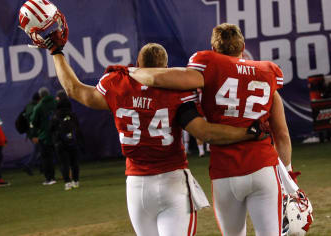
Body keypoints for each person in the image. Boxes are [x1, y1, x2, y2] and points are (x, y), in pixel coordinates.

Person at [35, 21, 266, 234]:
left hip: (136, 188)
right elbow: (204, 133)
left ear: (138, 65)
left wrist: (56, 52)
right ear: (165, 68)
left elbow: (75, 90)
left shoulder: (117, 83)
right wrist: (246, 132)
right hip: (172, 181)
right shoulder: (177, 90)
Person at [130, 23, 297, 236]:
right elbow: (282, 134)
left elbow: (159, 78)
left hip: (224, 172)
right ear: (243, 46)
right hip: (263, 167)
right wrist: (289, 176)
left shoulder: (207, 65)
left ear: (214, 48)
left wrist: (133, 72)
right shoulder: (266, 72)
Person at [50, 90, 83, 190]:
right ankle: (76, 181)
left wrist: (54, 140)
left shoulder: (56, 115)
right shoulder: (72, 114)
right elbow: (77, 128)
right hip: (72, 142)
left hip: (60, 142)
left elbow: (51, 129)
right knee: (74, 163)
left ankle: (67, 183)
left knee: (64, 163)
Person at [30, 87, 57, 185]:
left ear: (40, 96)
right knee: (63, 156)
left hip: (45, 136)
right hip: (57, 134)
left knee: (46, 158)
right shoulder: (55, 102)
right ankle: (68, 176)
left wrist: (35, 133)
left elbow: (33, 121)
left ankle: (50, 178)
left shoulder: (39, 106)